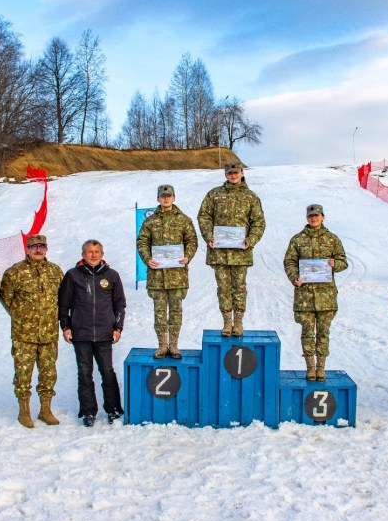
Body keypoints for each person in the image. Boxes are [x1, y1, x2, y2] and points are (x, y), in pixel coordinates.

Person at [58, 239, 126, 427]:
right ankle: (88, 411)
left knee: (107, 372)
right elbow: (64, 304)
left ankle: (113, 408)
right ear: (83, 255)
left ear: (102, 254)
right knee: (85, 373)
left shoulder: (112, 275)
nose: (93, 255)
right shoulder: (73, 276)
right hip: (81, 334)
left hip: (105, 333)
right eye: (89, 252)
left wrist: (118, 327)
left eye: (97, 251)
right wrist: (66, 326)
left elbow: (119, 304)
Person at [0, 234, 64, 428]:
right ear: (27, 249)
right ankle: (24, 410)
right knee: (23, 373)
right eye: (34, 246)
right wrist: (22, 316)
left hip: (49, 333)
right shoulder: (15, 272)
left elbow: (62, 298)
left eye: (42, 247)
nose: (38, 250)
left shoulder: (55, 271)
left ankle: (45, 409)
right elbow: (6, 298)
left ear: (46, 249)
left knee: (49, 373)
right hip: (23, 334)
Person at [197, 161, 266, 336]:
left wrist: (250, 240)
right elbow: (204, 217)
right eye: (230, 173)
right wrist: (209, 237)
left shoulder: (250, 197)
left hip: (241, 253)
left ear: (242, 173)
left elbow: (258, 223)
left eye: (236, 172)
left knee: (239, 287)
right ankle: (227, 322)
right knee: (223, 288)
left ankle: (239, 322)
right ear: (225, 174)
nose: (233, 175)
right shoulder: (214, 194)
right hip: (219, 252)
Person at [283, 204, 348, 381]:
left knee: (323, 332)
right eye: (311, 216)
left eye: (317, 215)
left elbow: (343, 261)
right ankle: (310, 367)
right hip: (305, 296)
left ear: (323, 217)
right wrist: (294, 277)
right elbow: (289, 262)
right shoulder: (297, 240)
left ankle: (321, 367)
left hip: (326, 297)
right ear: (307, 218)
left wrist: (336, 264)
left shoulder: (332, 239)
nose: (314, 218)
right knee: (307, 332)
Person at [136, 184, 198, 359]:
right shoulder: (150, 221)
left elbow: (192, 240)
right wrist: (147, 259)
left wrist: (188, 256)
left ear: (174, 198)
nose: (166, 199)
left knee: (176, 311)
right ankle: (162, 345)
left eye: (169, 196)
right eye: (163, 196)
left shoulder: (184, 220)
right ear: (158, 199)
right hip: (157, 277)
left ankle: (174, 345)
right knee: (160, 312)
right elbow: (141, 242)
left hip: (177, 276)